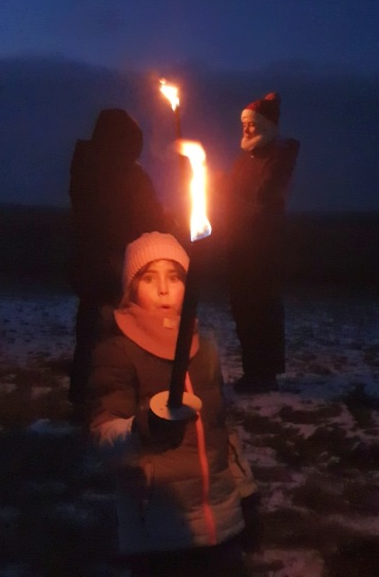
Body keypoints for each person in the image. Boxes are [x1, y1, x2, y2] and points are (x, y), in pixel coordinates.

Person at [88, 231, 257, 577]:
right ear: (131, 288)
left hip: (221, 521)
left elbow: (220, 429)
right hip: (160, 530)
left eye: (175, 277)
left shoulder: (204, 347)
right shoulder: (119, 352)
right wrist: (144, 429)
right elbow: (105, 439)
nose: (164, 289)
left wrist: (245, 491)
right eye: (149, 278)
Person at [68, 109, 166, 419]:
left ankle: (98, 398)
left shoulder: (97, 167)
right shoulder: (105, 173)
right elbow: (127, 219)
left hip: (105, 265)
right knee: (102, 333)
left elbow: (146, 216)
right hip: (108, 267)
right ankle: (93, 401)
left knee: (101, 333)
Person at [225, 92, 300, 393]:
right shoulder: (245, 160)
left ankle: (265, 374)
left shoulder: (277, 159)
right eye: (244, 124)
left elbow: (264, 198)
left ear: (267, 127)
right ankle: (252, 370)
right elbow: (231, 193)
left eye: (252, 124)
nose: (246, 129)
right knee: (242, 308)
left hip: (263, 249)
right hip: (240, 247)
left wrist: (230, 202)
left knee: (262, 309)